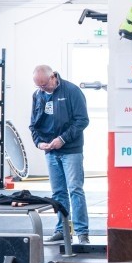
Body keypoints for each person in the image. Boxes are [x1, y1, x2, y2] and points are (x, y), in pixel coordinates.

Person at [29, 65, 91, 245]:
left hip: (70, 150)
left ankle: (82, 232)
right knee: (58, 193)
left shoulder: (72, 91)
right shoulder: (38, 95)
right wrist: (38, 142)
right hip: (50, 150)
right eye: (39, 86)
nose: (43, 89)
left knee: (75, 190)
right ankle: (62, 230)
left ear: (53, 76)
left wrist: (63, 139)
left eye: (45, 84)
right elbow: (33, 124)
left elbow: (82, 120)